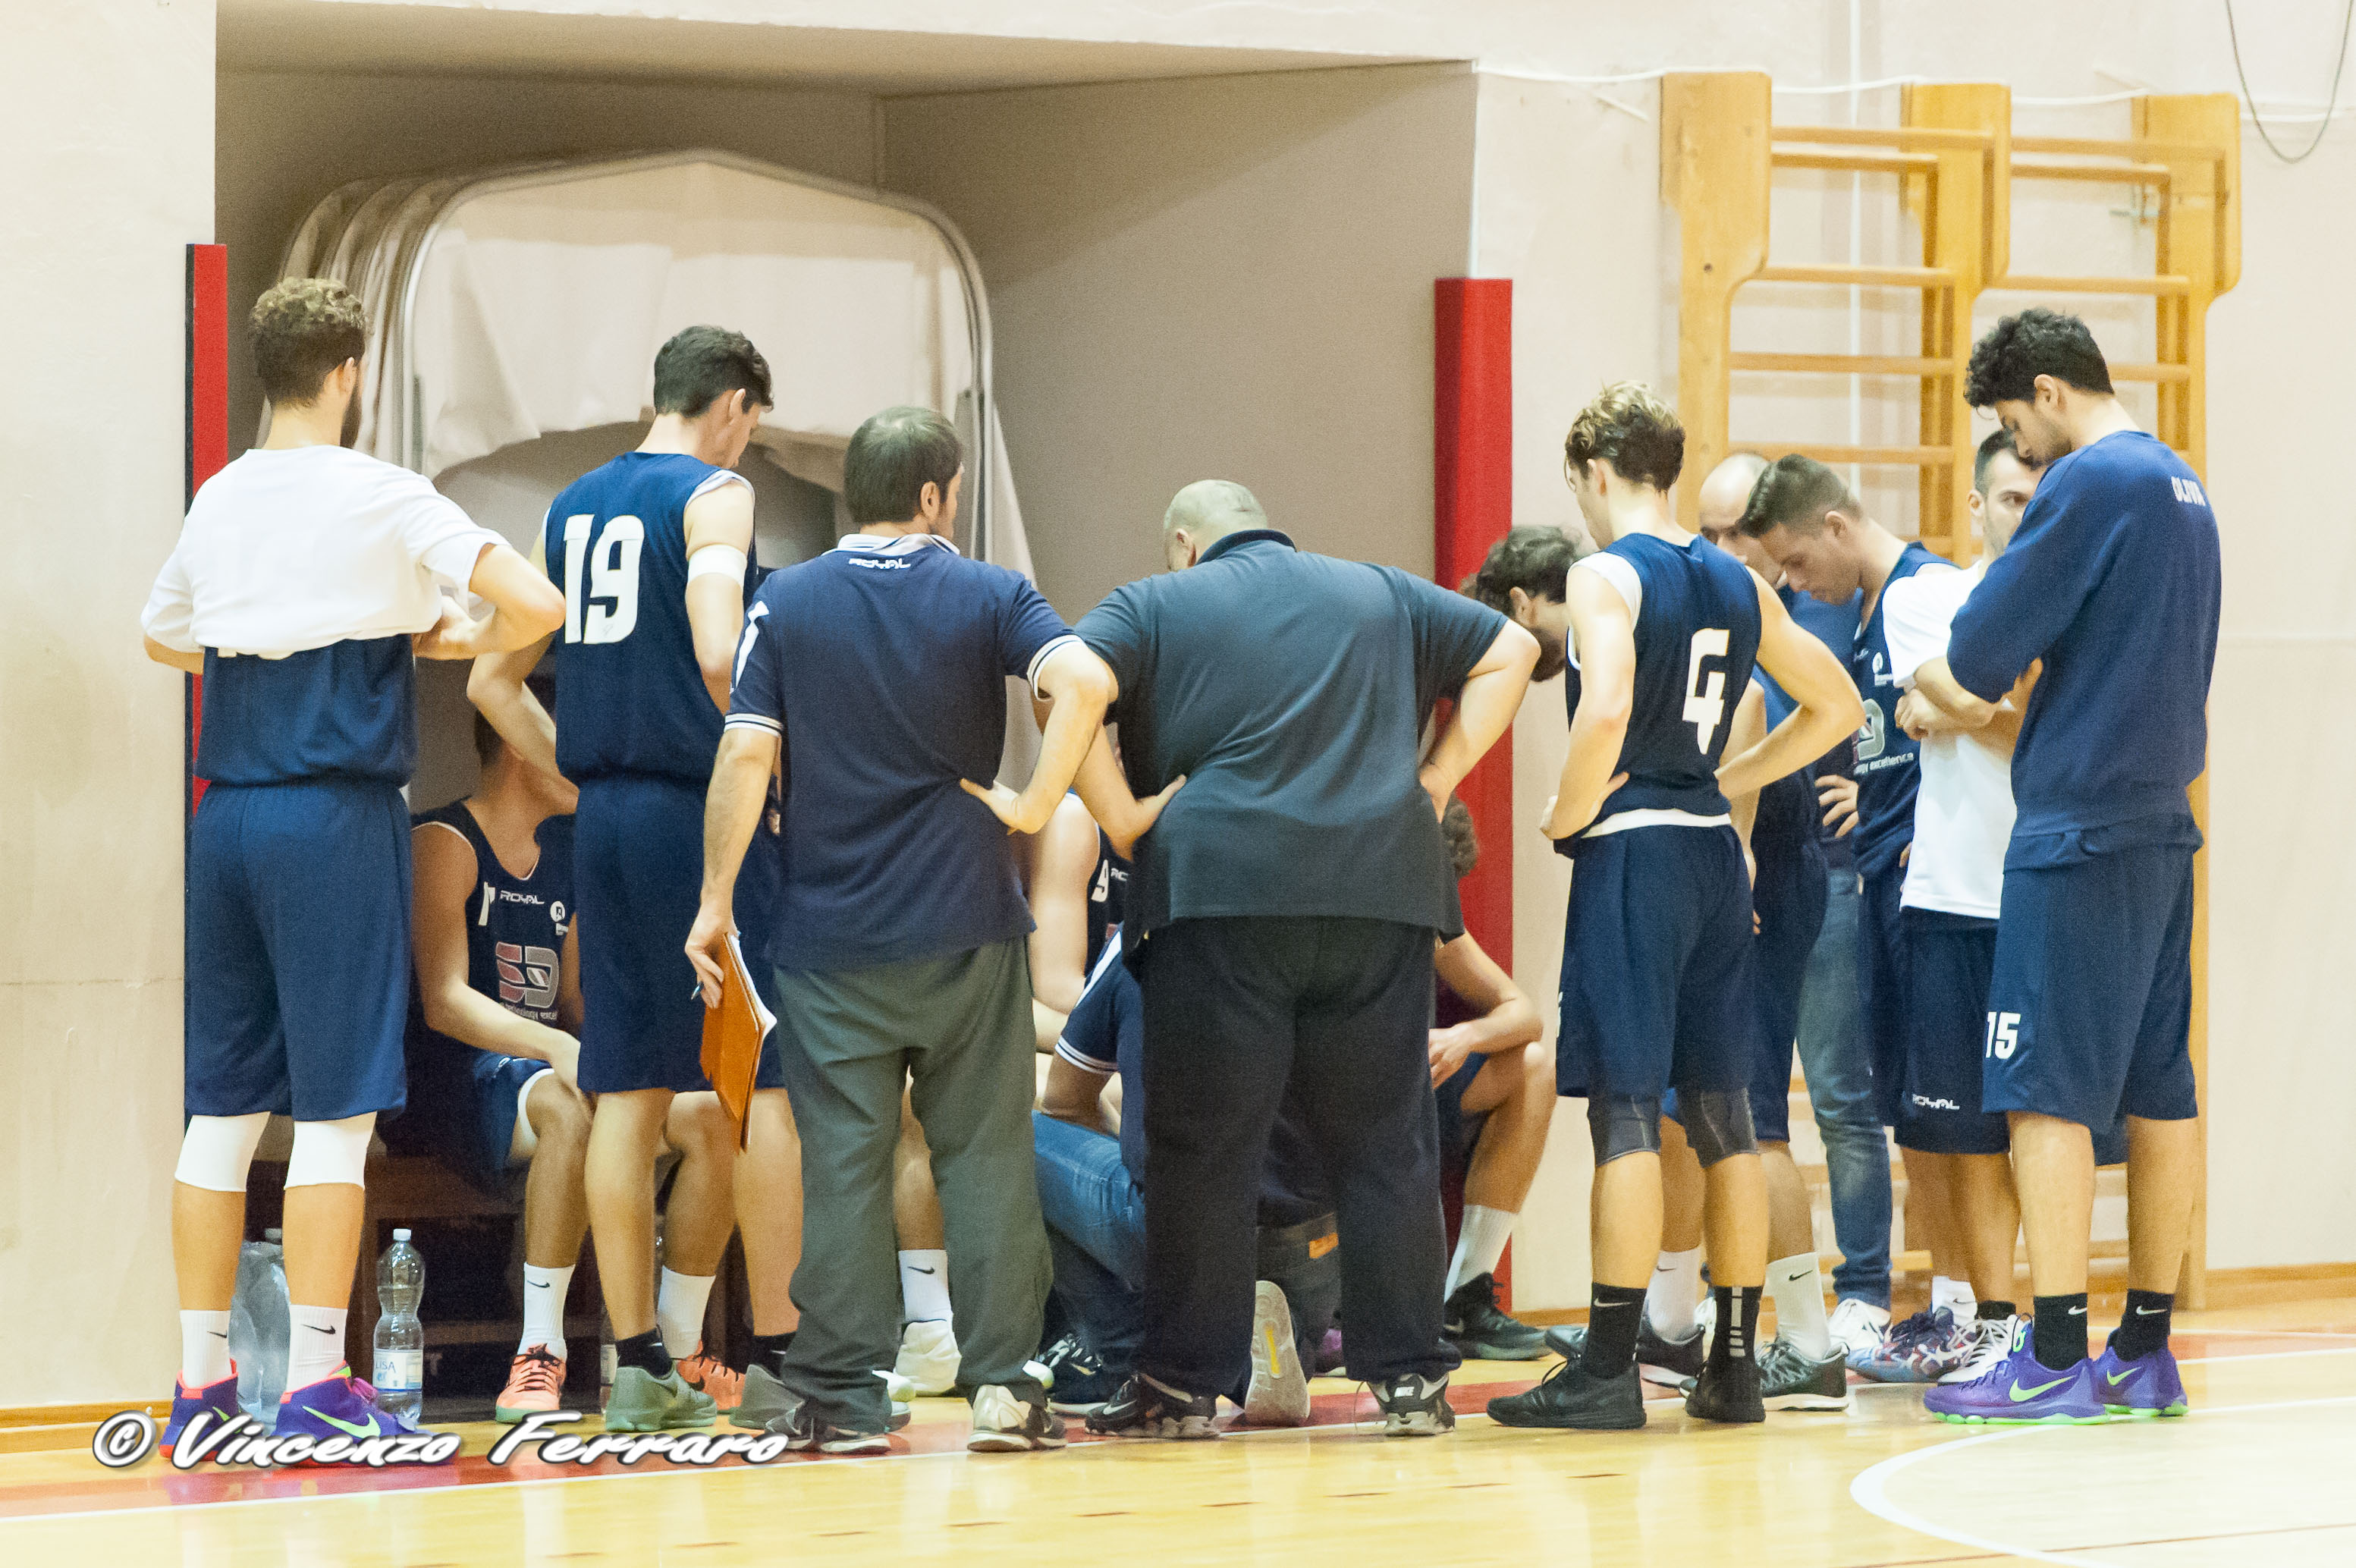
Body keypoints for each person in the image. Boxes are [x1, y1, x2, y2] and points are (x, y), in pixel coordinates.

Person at [142, 278, 562, 1455]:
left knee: (218, 1114)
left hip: (225, 818)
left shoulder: (219, 495)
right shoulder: (384, 493)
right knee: (332, 1117)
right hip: (332, 820)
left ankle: (198, 1386)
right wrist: (439, 633)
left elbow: (164, 631)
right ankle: (323, 1378)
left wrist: (283, 626)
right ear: (349, 373)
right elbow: (535, 600)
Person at [690, 405, 1119, 1455]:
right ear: (935, 495)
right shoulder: (989, 591)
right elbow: (1088, 681)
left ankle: (839, 1395)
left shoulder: (783, 600)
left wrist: (711, 900)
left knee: (844, 1158)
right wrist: (1031, 802)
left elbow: (746, 754)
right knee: (985, 1157)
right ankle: (1006, 1388)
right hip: (967, 923)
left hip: (829, 934)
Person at [1070, 479, 1538, 1441]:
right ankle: (1409, 1381)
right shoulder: (1383, 591)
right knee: (1386, 1142)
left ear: (1184, 545)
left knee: (1205, 1151)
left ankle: (1183, 1385)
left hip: (1220, 894)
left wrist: (1119, 818)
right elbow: (1515, 648)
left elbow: (1067, 680)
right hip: (1381, 892)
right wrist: (1435, 779)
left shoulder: (1153, 603)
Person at [1475, 385, 1859, 1434]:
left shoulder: (1603, 571)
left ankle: (1605, 1367)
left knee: (1629, 1113)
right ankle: (1732, 1366)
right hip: (1708, 855)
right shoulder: (1736, 579)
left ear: (1595, 473)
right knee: (1727, 1114)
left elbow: (1602, 708)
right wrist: (1732, 770)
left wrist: (1567, 807)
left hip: (1636, 848)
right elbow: (1837, 706)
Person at [470, 325, 781, 1431]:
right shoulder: (716, 494)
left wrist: (579, 769)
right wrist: (761, 738)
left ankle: (637, 1358)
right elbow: (712, 642)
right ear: (735, 405)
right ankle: (714, 1350)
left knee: (625, 1087)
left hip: (603, 813)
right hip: (689, 812)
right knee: (742, 1082)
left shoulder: (568, 505)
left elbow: (496, 680)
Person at [1924, 310, 2218, 1425]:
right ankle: (2142, 1347)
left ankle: (2048, 1353)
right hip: (2157, 824)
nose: (2020, 453)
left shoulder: (2088, 482)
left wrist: (1940, 690)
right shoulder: (2183, 485)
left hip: (2076, 828)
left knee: (2039, 1088)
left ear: (2047, 393)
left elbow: (1971, 655)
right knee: (2158, 1090)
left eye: (2013, 425)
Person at [1737, 453, 1980, 1383]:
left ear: (1834, 528)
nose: (1795, 585)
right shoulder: (1869, 613)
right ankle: (1949, 1308)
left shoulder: (1926, 590)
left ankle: (1966, 1307)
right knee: (1912, 1111)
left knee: (1943, 1114)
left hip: (1928, 893)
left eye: (1796, 564)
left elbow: (1993, 716)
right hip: (1882, 886)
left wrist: (1932, 827)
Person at [1698, 456, 1892, 1360]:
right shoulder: (1722, 606)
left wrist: (1882, 796)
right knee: (1736, 1099)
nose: (1727, 550)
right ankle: (1731, 1297)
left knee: (1838, 1098)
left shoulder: (1818, 600)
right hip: (1754, 868)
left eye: (1738, 531)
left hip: (1821, 867)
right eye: (1709, 533)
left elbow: (1880, 711)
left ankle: (1857, 1295)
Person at [1878, 429, 2040, 1387]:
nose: (2026, 515)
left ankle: (2037, 1328)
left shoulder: (2070, 605)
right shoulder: (1925, 596)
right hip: (1948, 900)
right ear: (1975, 508)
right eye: (2010, 499)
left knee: (2040, 1129)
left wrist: (1965, 707)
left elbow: (1992, 715)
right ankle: (1992, 1323)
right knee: (1965, 1137)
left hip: (2045, 895)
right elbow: (1954, 702)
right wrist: (1997, 708)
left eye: (2039, 499)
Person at [1033, 930, 1340, 1425]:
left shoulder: (1142, 945)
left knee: (1020, 1137)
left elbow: (1065, 1100)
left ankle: (1118, 1356)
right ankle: (1264, 1358)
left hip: (1186, 1235)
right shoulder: (1320, 945)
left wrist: (1126, 1144)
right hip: (1315, 1237)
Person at [391, 698, 597, 1422]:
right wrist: (555, 1046)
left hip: (538, 1072)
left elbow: (571, 1005)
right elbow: (444, 1000)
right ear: (518, 745)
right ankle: (538, 1352)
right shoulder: (445, 838)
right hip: (452, 1080)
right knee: (566, 1104)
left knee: (685, 1114)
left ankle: (663, 1345)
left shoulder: (566, 854)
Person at [1431, 806, 1557, 1363]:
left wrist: (1463, 1036)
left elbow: (1526, 1016)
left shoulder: (1436, 927)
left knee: (1535, 1066)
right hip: (1336, 1097)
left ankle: (1464, 1294)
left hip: (1413, 1091)